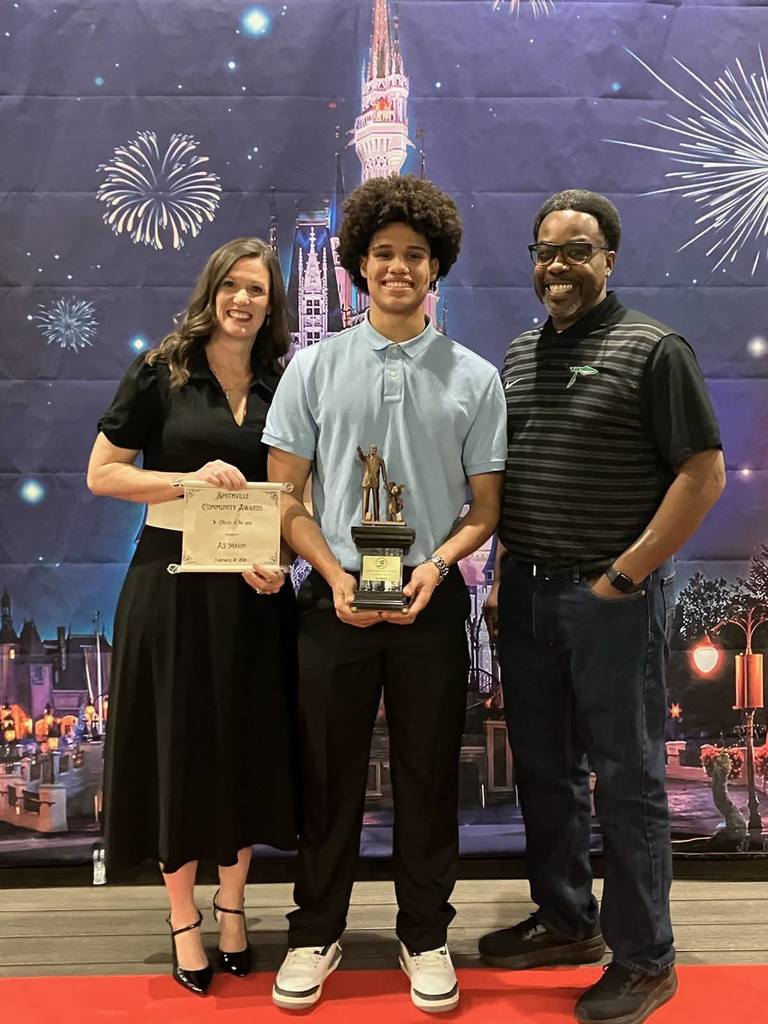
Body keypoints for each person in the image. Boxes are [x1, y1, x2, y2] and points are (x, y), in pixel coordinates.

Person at [259, 175, 507, 1013]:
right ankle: (315, 932)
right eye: (383, 255)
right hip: (333, 604)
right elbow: (285, 499)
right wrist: (330, 577)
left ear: (436, 267)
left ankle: (425, 934)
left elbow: (486, 509)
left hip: (429, 602)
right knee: (325, 775)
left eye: (414, 255)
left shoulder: (474, 376)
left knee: (428, 773)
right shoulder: (313, 368)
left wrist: (438, 567)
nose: (398, 268)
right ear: (359, 267)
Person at [479, 190, 725, 1024]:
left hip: (610, 602)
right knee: (546, 774)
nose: (558, 265)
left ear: (609, 260)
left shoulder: (655, 350)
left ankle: (646, 957)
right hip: (528, 597)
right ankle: (565, 919)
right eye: (546, 250)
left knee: (627, 779)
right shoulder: (517, 357)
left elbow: (702, 475)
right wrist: (503, 577)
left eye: (577, 250)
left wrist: (624, 575)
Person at [87, 238, 299, 996]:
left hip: (252, 590)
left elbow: (291, 494)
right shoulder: (163, 370)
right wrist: (185, 481)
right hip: (171, 586)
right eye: (234, 286)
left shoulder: (285, 381)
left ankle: (233, 906)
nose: (245, 301)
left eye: (260, 291)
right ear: (212, 290)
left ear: (275, 304)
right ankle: (184, 920)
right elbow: (101, 473)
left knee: (242, 748)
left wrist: (281, 557)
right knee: (179, 749)